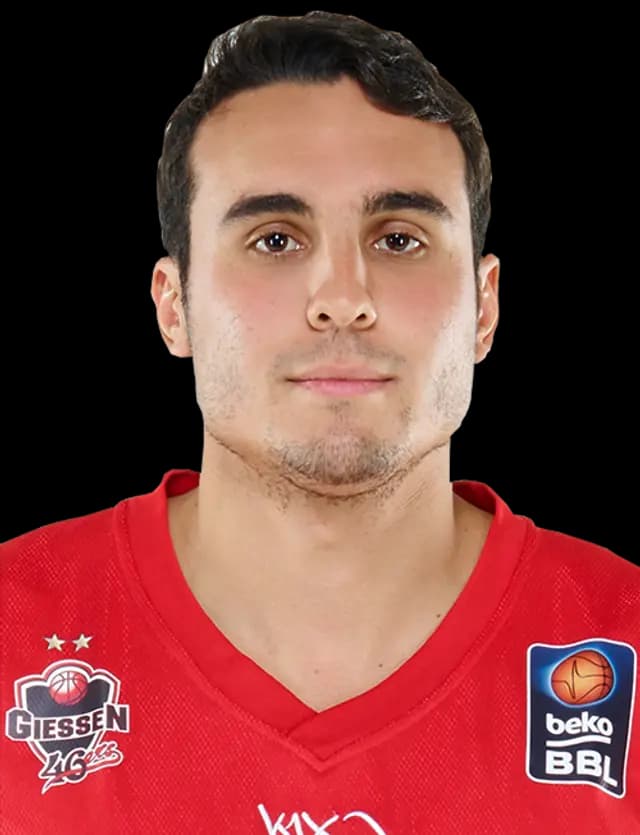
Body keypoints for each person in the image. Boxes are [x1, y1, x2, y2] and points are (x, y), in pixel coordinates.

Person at [1, 11, 637, 833]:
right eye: (274, 239)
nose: (342, 296)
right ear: (174, 305)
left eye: (400, 238)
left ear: (485, 308)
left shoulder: (623, 634)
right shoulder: (11, 625)